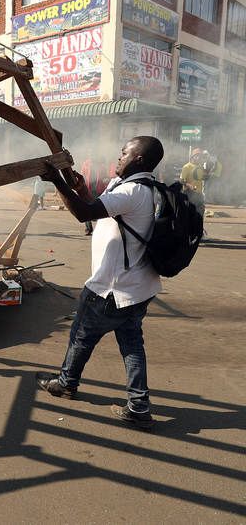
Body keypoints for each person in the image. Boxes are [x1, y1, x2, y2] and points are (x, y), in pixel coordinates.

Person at [36, 136, 164, 429]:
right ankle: (139, 406)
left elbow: (85, 212)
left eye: (124, 153)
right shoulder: (140, 187)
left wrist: (57, 181)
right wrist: (80, 188)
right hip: (138, 287)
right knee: (132, 346)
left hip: (111, 287)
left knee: (81, 337)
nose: (119, 158)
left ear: (139, 160)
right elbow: (96, 202)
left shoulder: (133, 191)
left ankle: (66, 384)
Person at [180, 148, 221, 215]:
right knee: (189, 214)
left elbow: (203, 177)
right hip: (189, 194)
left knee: (200, 213)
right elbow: (181, 180)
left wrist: (212, 171)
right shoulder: (186, 167)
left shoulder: (200, 167)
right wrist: (189, 185)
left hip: (199, 194)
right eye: (197, 156)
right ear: (193, 157)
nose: (199, 158)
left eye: (200, 156)